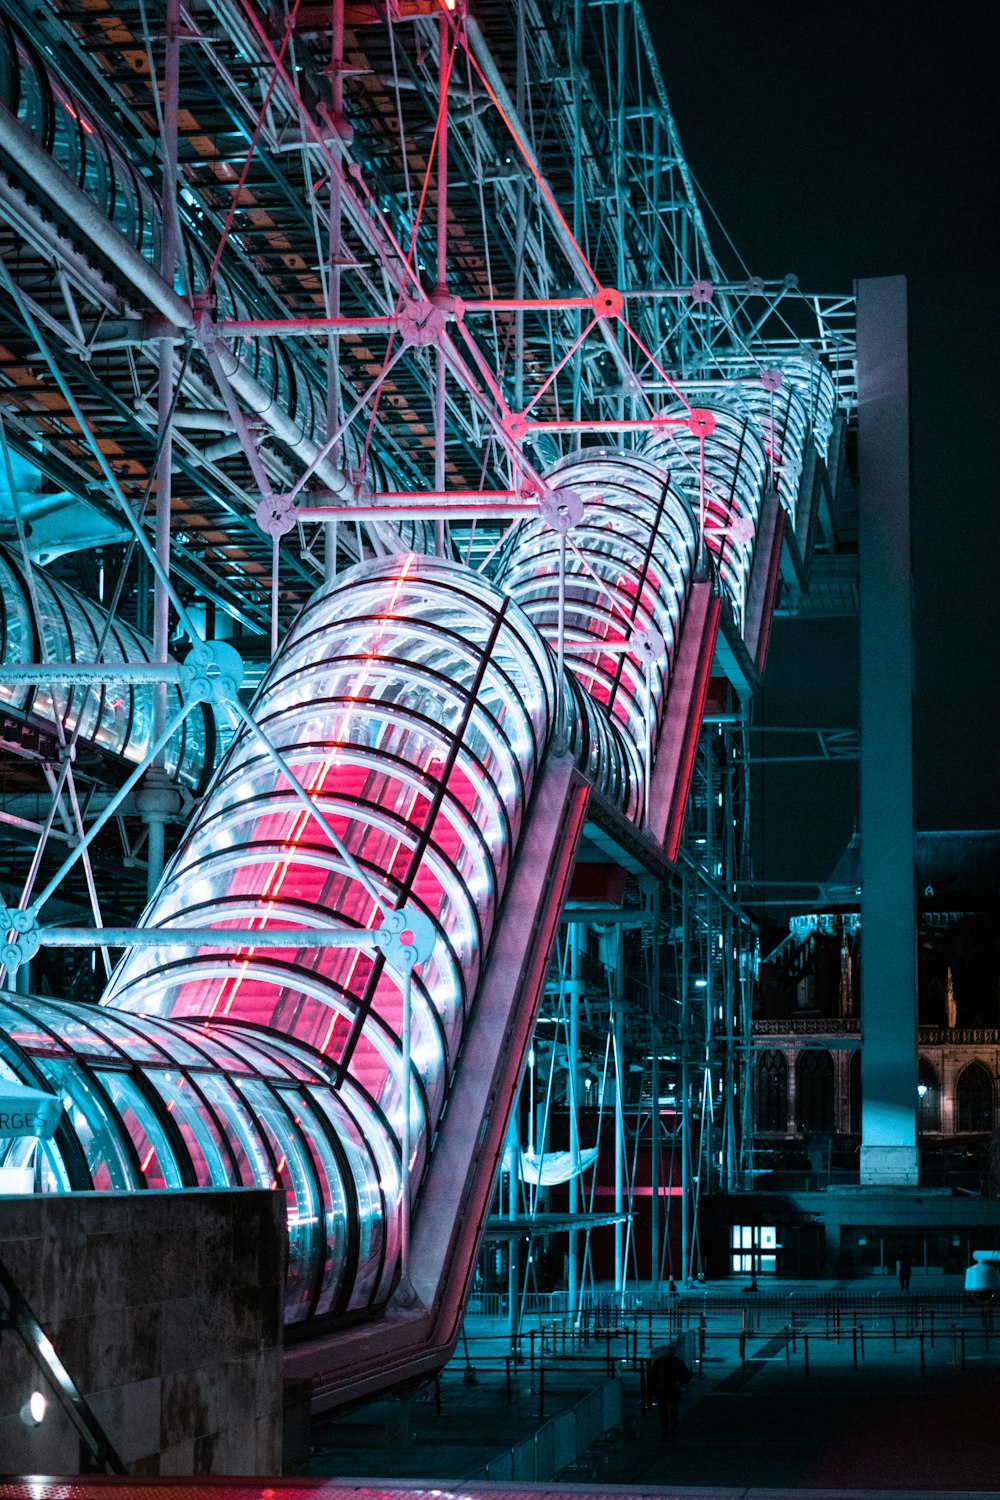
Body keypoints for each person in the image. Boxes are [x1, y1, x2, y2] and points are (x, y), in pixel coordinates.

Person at [650, 1344, 692, 1438]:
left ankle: (666, 1431)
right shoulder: (678, 1362)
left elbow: (652, 1376)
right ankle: (672, 1430)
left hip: (664, 1390)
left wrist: (657, 1385)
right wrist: (680, 1382)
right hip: (672, 1389)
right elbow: (687, 1376)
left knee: (664, 1412)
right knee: (673, 1412)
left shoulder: (660, 1361)